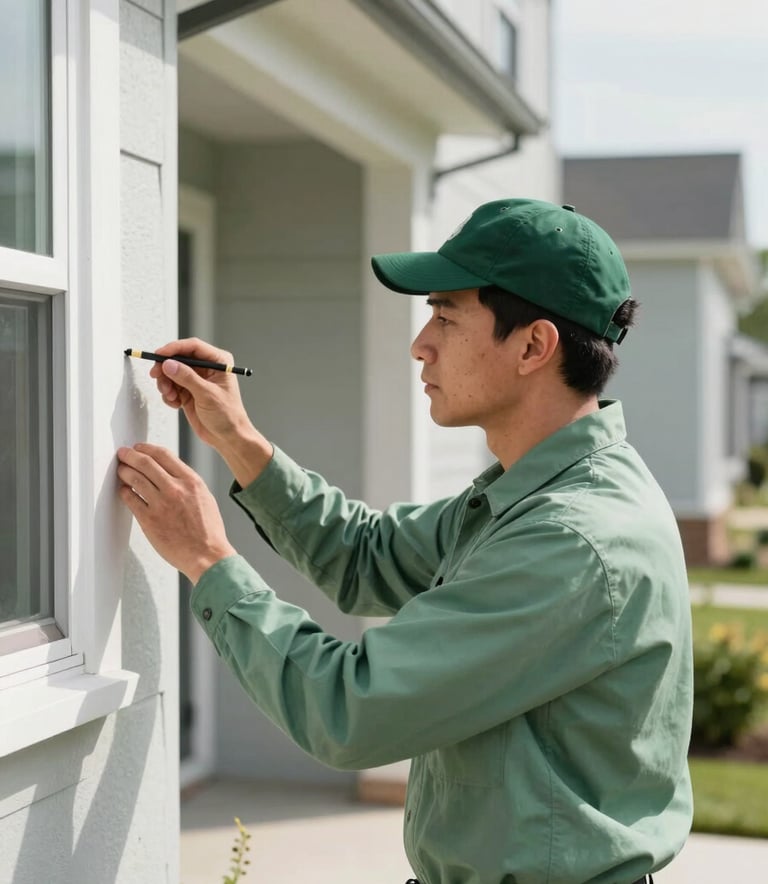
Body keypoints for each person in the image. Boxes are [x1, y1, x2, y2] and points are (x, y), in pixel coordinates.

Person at [116, 198, 693, 884]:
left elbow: (350, 709)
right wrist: (238, 439)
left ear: (534, 346)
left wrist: (207, 559)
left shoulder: (571, 540)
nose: (421, 343)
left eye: (446, 316)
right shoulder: (532, 496)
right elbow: (366, 556)